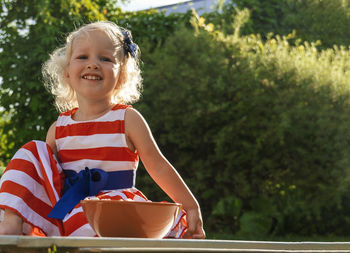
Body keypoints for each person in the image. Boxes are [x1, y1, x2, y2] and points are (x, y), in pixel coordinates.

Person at [0, 21, 205, 239]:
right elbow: (44, 179)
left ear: (122, 76)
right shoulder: (58, 129)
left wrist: (191, 206)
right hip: (71, 212)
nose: (93, 64)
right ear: (67, 72)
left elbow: (159, 167)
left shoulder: (127, 119)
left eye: (105, 59)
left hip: (116, 211)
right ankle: (13, 221)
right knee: (32, 151)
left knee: (111, 220)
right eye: (82, 57)